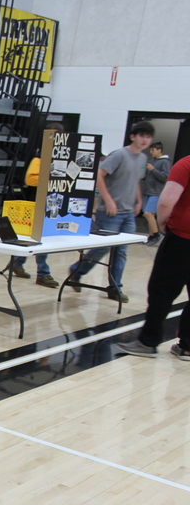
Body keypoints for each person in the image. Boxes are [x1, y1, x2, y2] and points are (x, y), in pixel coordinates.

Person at [68, 121, 154, 303]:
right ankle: (77, 270)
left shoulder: (142, 159)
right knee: (103, 248)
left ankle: (115, 288)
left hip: (128, 212)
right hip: (110, 212)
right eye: (142, 136)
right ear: (133, 136)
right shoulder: (120, 155)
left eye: (148, 137)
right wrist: (108, 201)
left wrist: (138, 201)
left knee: (121, 251)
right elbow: (99, 175)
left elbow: (136, 181)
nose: (145, 140)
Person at [116, 155, 190, 361]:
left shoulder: (186, 164)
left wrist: (162, 223)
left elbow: (166, 201)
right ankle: (187, 347)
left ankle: (148, 342)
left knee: (162, 290)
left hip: (183, 238)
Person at [10, 122, 65, 287]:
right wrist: (51, 177)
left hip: (53, 202)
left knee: (38, 238)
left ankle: (17, 263)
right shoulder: (39, 157)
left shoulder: (61, 157)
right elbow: (30, 179)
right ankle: (43, 273)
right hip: (36, 203)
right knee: (39, 238)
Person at [142, 142, 171, 246]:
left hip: (156, 192)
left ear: (159, 150)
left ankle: (157, 234)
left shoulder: (165, 162)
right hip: (148, 191)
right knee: (150, 215)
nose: (151, 152)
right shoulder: (152, 161)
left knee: (148, 213)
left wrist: (153, 170)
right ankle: (152, 236)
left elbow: (165, 177)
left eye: (153, 150)